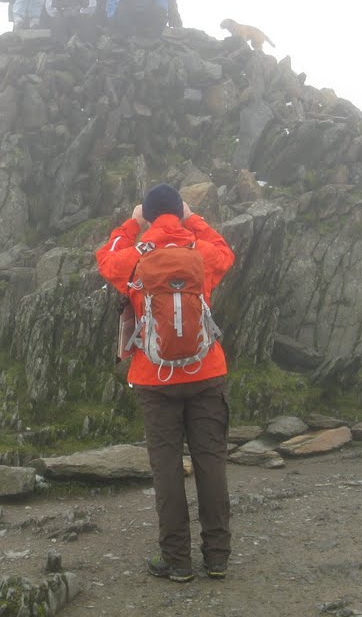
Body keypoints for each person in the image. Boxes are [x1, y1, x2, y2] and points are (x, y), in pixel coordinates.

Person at [95, 184, 235, 583]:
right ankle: (218, 557)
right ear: (179, 211)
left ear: (151, 216)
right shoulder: (201, 253)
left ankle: (176, 561)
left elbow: (105, 257)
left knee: (168, 469)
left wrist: (133, 222)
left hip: (153, 378)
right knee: (211, 461)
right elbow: (226, 251)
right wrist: (194, 219)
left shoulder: (134, 259)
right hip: (207, 373)